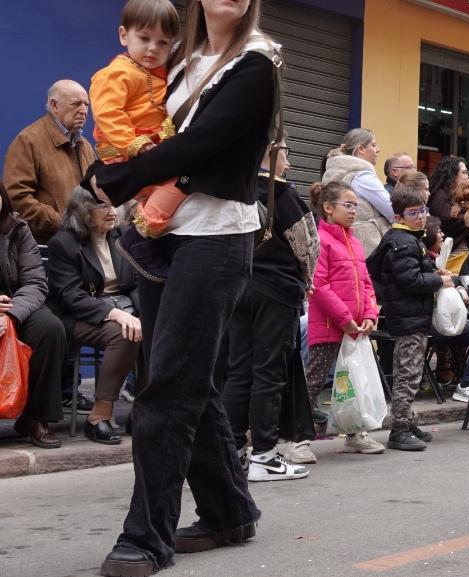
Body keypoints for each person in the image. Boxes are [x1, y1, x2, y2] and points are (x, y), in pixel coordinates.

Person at [83, 1, 275, 573]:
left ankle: (146, 536)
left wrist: (117, 178)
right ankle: (229, 511)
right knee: (189, 379)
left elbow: (200, 146)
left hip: (217, 238)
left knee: (167, 385)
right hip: (162, 234)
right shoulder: (179, 59)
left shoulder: (255, 63)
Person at [222, 142, 318, 480]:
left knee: (239, 370)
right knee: (268, 373)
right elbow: (307, 245)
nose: (289, 164)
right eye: (286, 154)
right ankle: (263, 454)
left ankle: (233, 452)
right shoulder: (283, 194)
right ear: (270, 154)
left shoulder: (233, 190)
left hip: (238, 288)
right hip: (276, 290)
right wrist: (305, 281)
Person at [46, 187, 143, 446]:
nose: (112, 212)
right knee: (125, 335)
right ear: (84, 212)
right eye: (103, 206)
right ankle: (99, 416)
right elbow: (70, 296)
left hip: (120, 308)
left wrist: (138, 313)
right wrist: (114, 314)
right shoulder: (64, 244)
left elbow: (134, 282)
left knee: (153, 329)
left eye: (114, 205)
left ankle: (142, 412)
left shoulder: (122, 235)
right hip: (76, 317)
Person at [89, 0, 185, 243]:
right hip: (122, 152)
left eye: (163, 42)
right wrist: (137, 143)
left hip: (146, 152)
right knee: (180, 182)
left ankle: (147, 231)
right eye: (144, 38)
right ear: (124, 35)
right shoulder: (116, 73)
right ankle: (141, 235)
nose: (153, 48)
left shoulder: (161, 74)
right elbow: (108, 113)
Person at [366, 187, 453, 451]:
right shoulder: (403, 241)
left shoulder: (406, 238)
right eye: (413, 213)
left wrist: (432, 271)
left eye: (423, 210)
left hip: (409, 314)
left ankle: (407, 420)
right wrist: (439, 280)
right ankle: (399, 429)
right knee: (408, 373)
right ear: (399, 216)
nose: (421, 217)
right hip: (408, 315)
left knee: (410, 371)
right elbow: (409, 280)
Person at [304, 180, 387, 455]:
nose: (354, 210)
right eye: (347, 205)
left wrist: (370, 315)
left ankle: (355, 433)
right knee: (314, 381)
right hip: (330, 326)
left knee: (354, 380)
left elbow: (366, 284)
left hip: (354, 328)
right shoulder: (320, 240)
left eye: (356, 205)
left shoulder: (355, 241)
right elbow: (319, 286)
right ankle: (294, 438)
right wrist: (345, 319)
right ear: (328, 208)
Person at [0, 183, 68, 449]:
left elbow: (35, 282)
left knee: (49, 328)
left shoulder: (17, 229)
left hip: (17, 304)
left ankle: (35, 418)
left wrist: (13, 314)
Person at [4, 80, 97, 243]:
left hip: (82, 245)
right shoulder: (28, 141)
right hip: (45, 246)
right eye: (76, 104)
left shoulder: (86, 146)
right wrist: (63, 223)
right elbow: (16, 198)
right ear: (54, 105)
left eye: (86, 104)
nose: (83, 111)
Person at [322, 128, 390, 254]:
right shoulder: (362, 176)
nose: (378, 149)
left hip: (343, 244)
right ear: (361, 149)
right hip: (369, 247)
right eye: (374, 145)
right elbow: (392, 209)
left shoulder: (335, 171)